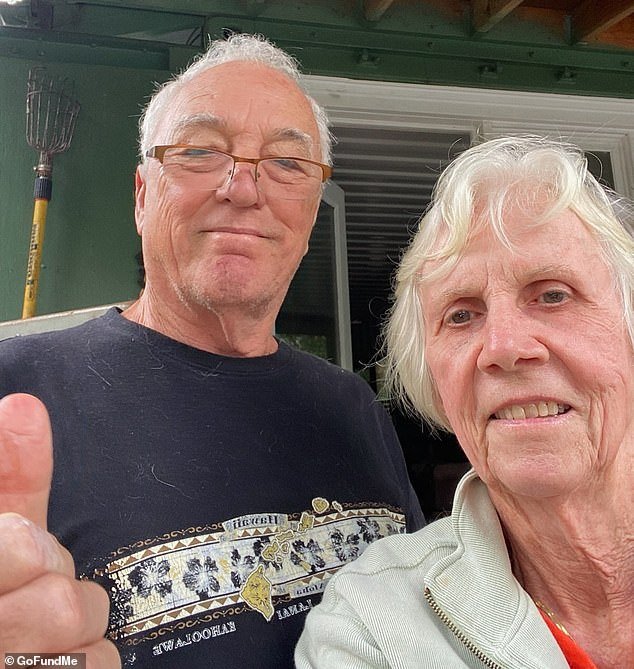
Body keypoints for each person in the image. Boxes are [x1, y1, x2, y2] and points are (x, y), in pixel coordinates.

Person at [0, 34, 424, 669]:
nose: (243, 188)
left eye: (287, 163)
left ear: (311, 213)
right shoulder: (17, 396)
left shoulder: (353, 408)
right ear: (142, 196)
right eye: (199, 152)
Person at [296, 135, 634, 669]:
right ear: (434, 379)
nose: (502, 347)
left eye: (553, 294)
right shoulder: (373, 623)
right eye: (461, 314)